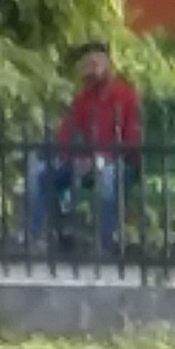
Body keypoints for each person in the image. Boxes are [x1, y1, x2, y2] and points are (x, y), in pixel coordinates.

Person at [27, 42, 145, 257]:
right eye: (86, 65)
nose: (89, 70)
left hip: (122, 163)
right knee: (40, 173)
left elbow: (132, 140)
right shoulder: (84, 99)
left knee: (108, 176)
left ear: (108, 65)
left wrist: (101, 158)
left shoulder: (127, 96)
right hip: (87, 162)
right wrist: (70, 158)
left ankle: (106, 244)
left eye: (95, 64)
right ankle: (39, 238)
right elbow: (66, 133)